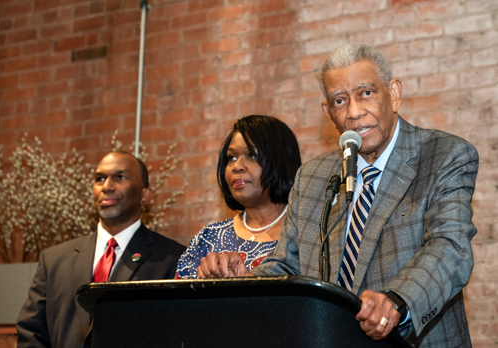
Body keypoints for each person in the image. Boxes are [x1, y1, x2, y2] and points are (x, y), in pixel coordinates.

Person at [197, 44, 478, 348]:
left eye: (366, 93)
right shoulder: (312, 177)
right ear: (327, 112)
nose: (354, 112)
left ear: (394, 94)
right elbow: (289, 266)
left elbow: (449, 247)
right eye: (340, 101)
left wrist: (395, 301)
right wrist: (246, 279)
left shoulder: (444, 155)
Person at [16, 151, 186, 348]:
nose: (106, 186)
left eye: (119, 177)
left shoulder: (172, 259)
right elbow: (31, 334)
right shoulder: (53, 261)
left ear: (144, 195)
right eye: (100, 179)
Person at [175, 115, 301, 278]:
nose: (237, 166)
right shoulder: (207, 238)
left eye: (252, 156)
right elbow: (175, 301)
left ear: (282, 161)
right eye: (231, 157)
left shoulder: (308, 234)